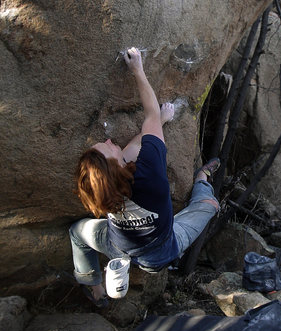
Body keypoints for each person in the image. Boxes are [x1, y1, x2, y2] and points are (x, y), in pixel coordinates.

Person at [70, 47, 220, 307]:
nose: (108, 140)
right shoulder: (150, 173)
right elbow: (149, 115)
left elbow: (128, 152)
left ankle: (93, 287)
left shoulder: (101, 191)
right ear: (115, 166)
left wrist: (158, 122)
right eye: (107, 147)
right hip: (159, 253)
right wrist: (138, 70)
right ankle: (202, 179)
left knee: (76, 232)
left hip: (118, 246)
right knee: (209, 206)